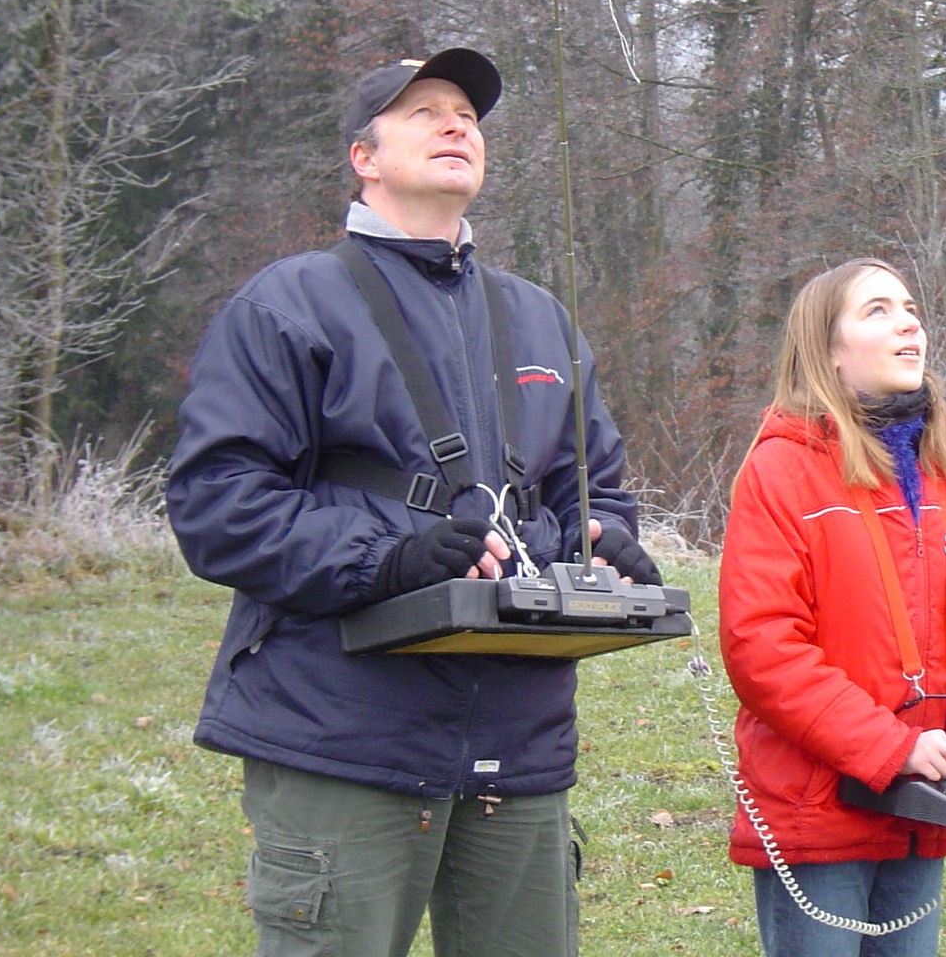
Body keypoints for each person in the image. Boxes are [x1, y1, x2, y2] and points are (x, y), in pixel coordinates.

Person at [166, 47, 662, 957]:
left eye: (468, 114)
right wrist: (385, 561)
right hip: (345, 732)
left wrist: (606, 545)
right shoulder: (289, 303)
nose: (456, 124)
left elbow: (598, 494)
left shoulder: (544, 318)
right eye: (425, 109)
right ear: (365, 154)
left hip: (522, 740)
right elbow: (218, 503)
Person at [717, 258, 946, 957]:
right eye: (877, 311)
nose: (908, 324)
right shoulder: (781, 470)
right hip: (818, 806)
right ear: (827, 353)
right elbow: (762, 648)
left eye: (911, 309)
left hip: (928, 799)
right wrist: (891, 749)